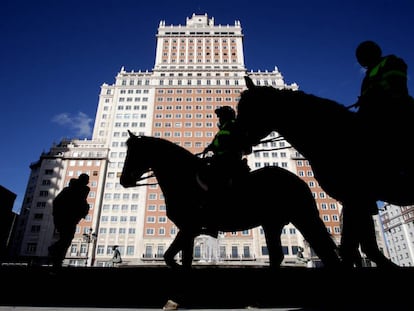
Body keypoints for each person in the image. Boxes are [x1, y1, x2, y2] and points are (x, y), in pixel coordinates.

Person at [200, 106, 251, 204]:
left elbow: (241, 144)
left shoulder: (234, 126)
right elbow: (216, 143)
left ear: (226, 117)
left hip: (228, 160)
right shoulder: (223, 129)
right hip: (220, 159)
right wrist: (209, 148)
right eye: (219, 117)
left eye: (220, 116)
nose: (219, 119)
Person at [48, 173, 90, 268]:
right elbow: (57, 202)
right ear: (82, 181)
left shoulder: (75, 192)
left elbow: (81, 205)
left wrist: (82, 212)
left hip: (69, 219)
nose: (88, 183)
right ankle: (56, 254)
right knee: (66, 238)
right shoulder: (72, 191)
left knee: (67, 239)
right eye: (87, 180)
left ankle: (57, 257)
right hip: (66, 218)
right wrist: (57, 215)